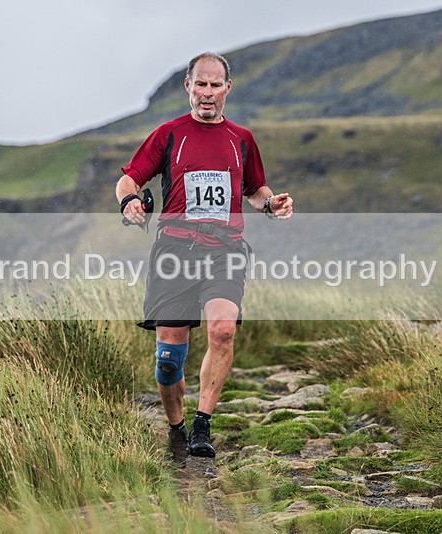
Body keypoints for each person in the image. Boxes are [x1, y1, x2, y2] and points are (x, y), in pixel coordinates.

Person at [115, 51, 293, 463]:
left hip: (225, 249)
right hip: (175, 251)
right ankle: (176, 427)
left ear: (228, 88)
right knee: (168, 360)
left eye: (215, 85)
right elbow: (129, 179)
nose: (207, 93)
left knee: (223, 331)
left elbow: (255, 189)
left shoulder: (241, 139)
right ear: (188, 87)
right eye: (201, 84)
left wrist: (271, 204)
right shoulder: (168, 135)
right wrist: (128, 202)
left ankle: (202, 425)